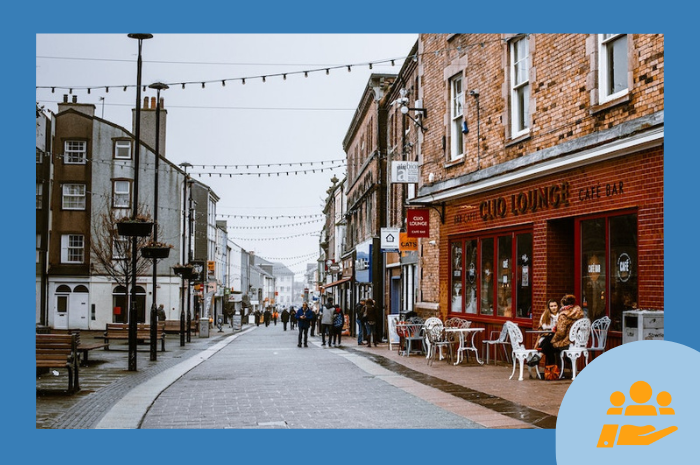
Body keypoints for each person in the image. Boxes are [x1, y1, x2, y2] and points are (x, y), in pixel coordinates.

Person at [540, 294, 585, 367]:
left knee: (549, 344)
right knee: (548, 342)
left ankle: (553, 369)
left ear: (563, 304)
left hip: (566, 342)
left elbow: (561, 332)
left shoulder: (564, 315)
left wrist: (554, 339)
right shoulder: (579, 313)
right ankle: (564, 361)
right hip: (577, 341)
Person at [530, 299, 559, 366]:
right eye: (551, 306)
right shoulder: (545, 316)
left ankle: (539, 355)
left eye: (555, 306)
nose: (554, 308)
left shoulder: (560, 316)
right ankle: (551, 373)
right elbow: (541, 329)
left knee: (550, 339)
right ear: (549, 307)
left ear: (558, 306)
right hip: (546, 338)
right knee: (549, 343)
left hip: (557, 340)